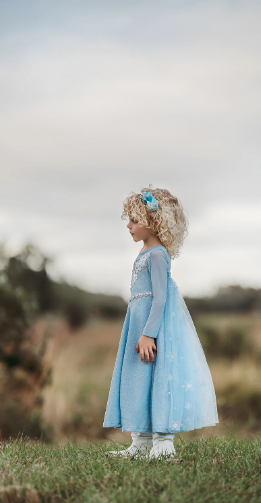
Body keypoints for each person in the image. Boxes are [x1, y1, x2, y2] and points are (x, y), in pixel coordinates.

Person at [103, 186, 219, 459]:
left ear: (153, 222)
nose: (129, 226)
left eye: (135, 220)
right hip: (137, 326)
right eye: (128, 220)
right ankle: (140, 442)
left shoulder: (157, 255)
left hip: (150, 329)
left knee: (156, 378)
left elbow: (160, 298)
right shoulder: (145, 252)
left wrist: (149, 334)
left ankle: (163, 443)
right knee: (137, 378)